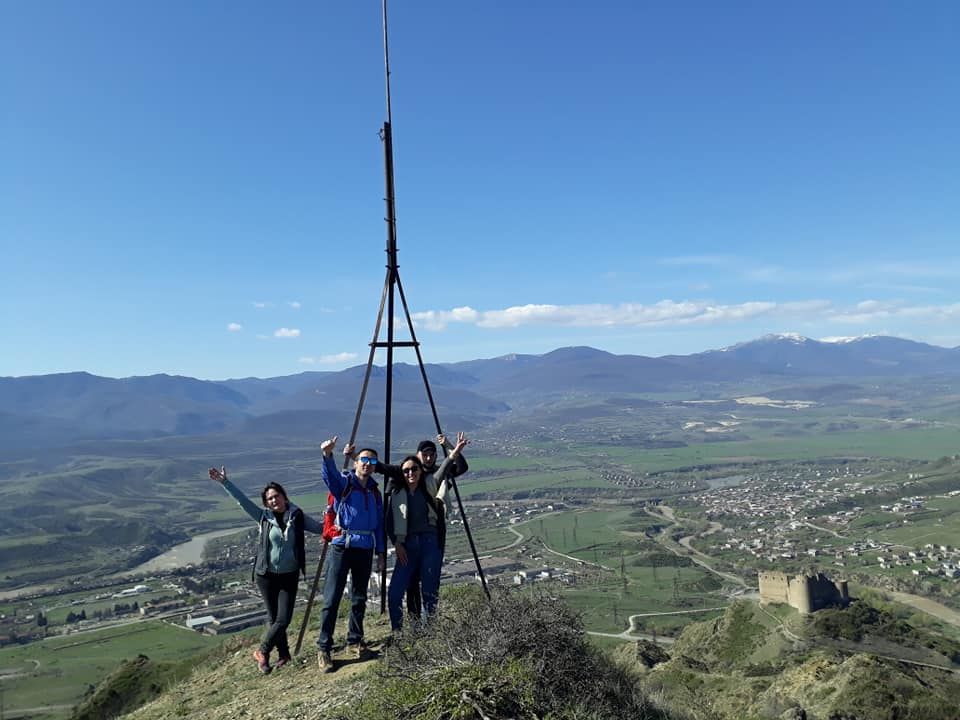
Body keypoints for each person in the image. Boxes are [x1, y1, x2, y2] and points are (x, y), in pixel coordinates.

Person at [208, 466, 323, 674]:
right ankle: (283, 654)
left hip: (289, 575)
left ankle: (262, 651)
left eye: (276, 496)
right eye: (269, 499)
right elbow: (242, 501)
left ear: (284, 497)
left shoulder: (297, 516)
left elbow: (320, 529)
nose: (273, 501)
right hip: (266, 576)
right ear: (266, 503)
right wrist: (226, 483)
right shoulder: (263, 517)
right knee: (273, 618)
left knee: (283, 619)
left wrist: (336, 520)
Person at [382, 432, 469, 632]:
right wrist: (396, 542)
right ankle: (400, 630)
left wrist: (453, 448)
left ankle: (429, 629)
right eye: (406, 470)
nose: (410, 473)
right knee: (398, 590)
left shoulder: (431, 481)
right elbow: (388, 520)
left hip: (431, 540)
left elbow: (451, 466)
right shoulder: (396, 490)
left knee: (430, 589)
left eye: (414, 469)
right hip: (408, 544)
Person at [316, 436, 386, 673]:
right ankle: (324, 648)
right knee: (332, 598)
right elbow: (330, 478)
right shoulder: (344, 485)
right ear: (356, 462)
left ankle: (354, 641)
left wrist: (381, 552)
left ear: (375, 466)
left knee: (359, 598)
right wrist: (327, 455)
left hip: (365, 547)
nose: (367, 463)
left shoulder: (375, 493)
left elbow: (379, 525)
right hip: (342, 546)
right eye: (363, 459)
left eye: (371, 460)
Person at [404, 433, 470, 615]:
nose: (429, 457)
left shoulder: (441, 471)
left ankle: (430, 620)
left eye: (432, 454)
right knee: (413, 580)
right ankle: (415, 620)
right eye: (425, 454)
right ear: (417, 455)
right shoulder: (413, 474)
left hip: (436, 531)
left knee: (431, 578)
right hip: (414, 532)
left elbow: (462, 467)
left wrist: (449, 445)